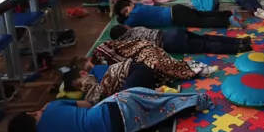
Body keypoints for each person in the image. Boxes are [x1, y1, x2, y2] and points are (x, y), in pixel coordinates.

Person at [7, 87, 214, 132]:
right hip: (116, 113)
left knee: (152, 117)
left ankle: (182, 108)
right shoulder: (52, 107)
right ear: (31, 114)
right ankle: (191, 100)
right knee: (137, 95)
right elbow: (88, 105)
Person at [90, 39, 218, 82]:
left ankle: (198, 67)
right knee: (155, 72)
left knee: (157, 64)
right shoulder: (97, 68)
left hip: (141, 51)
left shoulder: (99, 52)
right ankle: (196, 68)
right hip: (136, 61)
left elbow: (126, 51)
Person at [62, 57, 162, 104]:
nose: (83, 88)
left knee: (124, 98)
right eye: (80, 89)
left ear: (83, 74)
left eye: (80, 84)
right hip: (136, 78)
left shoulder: (96, 70)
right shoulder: (93, 79)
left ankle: (154, 91)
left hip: (134, 71)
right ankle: (154, 90)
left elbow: (107, 82)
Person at [109, 24, 253, 54]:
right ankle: (240, 41)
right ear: (126, 28)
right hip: (171, 32)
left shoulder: (128, 43)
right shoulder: (135, 28)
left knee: (205, 46)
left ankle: (239, 48)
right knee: (205, 38)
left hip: (169, 43)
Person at [114, 0, 243, 28]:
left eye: (126, 11)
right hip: (176, 9)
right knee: (202, 15)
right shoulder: (139, 6)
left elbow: (126, 27)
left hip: (176, 16)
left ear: (131, 4)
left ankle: (228, 21)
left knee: (201, 21)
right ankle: (228, 13)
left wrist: (121, 19)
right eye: (124, 14)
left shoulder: (135, 15)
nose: (127, 15)